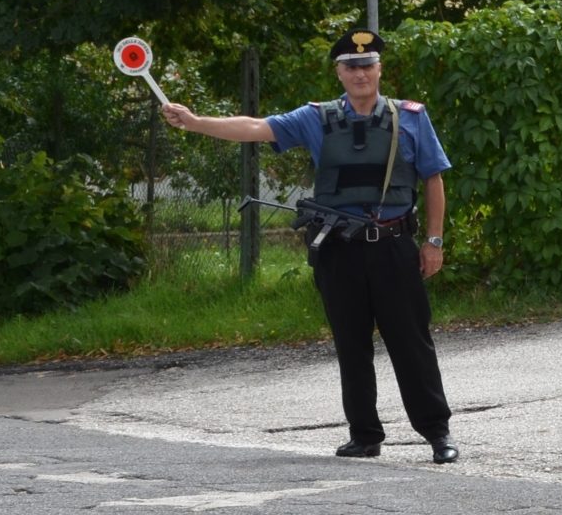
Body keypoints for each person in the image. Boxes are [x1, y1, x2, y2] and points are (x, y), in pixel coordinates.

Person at [161, 29, 459, 464]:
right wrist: (195, 121)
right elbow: (256, 127)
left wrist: (434, 241)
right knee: (351, 345)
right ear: (339, 73)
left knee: (412, 344)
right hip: (339, 250)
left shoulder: (411, 117)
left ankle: (437, 434)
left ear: (380, 69)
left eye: (367, 65)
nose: (360, 74)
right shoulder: (316, 117)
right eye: (351, 67)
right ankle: (364, 435)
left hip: (394, 246)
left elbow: (433, 178)